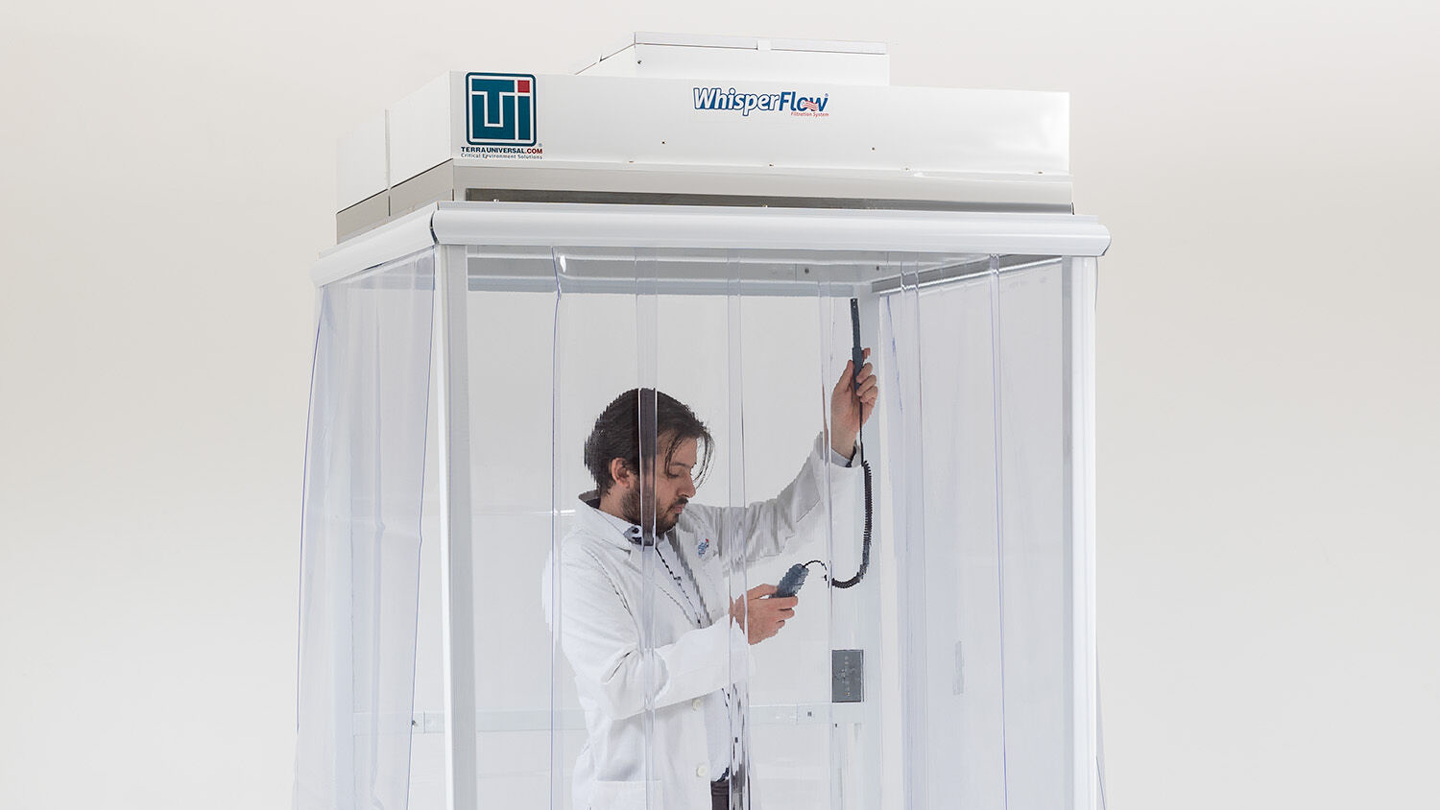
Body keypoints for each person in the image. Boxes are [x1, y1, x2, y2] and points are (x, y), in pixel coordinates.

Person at [544, 352, 878, 810]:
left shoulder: (687, 527)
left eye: (690, 470)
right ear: (622, 473)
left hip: (722, 788)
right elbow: (621, 685)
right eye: (674, 473)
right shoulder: (579, 564)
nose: (690, 488)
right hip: (654, 796)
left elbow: (781, 525)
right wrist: (735, 633)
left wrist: (840, 437)